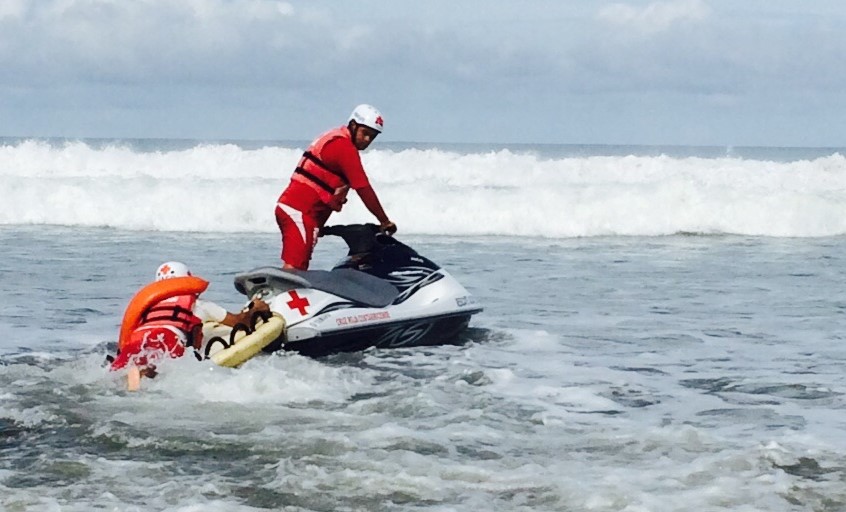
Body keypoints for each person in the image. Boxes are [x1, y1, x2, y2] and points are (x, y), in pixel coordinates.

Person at [275, 104, 397, 270]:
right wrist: (384, 221)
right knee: (295, 268)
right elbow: (363, 188)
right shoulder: (343, 147)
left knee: (300, 266)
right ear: (353, 125)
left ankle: (280, 294)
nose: (367, 140)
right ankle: (276, 295)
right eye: (365, 133)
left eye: (372, 137)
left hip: (300, 213)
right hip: (298, 211)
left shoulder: (338, 141)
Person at [109, 261, 269, 374]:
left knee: (129, 372)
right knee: (154, 372)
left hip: (136, 340)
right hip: (166, 338)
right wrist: (255, 308)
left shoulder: (148, 307)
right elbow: (241, 323)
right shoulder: (198, 304)